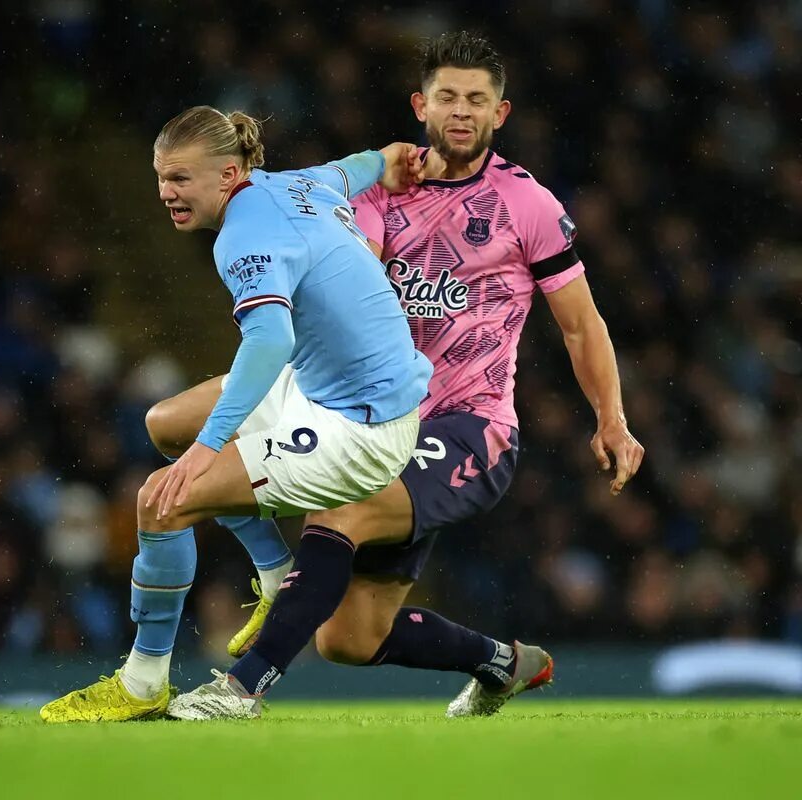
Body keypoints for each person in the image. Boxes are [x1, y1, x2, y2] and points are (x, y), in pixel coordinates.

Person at [162, 31, 644, 720]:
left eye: (478, 100)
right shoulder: (382, 192)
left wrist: (612, 419)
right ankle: (501, 663)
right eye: (447, 96)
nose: (461, 111)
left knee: (344, 509)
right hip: (368, 411)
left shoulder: (526, 205)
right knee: (350, 639)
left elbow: (580, 323)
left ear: (499, 114)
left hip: (470, 428)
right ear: (421, 104)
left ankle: (240, 688)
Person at [39, 106, 434, 723]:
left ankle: (142, 682)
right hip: (323, 387)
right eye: (161, 177)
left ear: (228, 174)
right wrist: (396, 158)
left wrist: (210, 449)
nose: (167, 193)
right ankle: (276, 572)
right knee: (165, 423)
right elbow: (364, 166)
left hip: (360, 429)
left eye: (181, 179)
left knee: (161, 501)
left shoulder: (243, 237)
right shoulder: (297, 182)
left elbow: (270, 341)